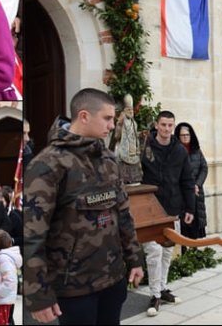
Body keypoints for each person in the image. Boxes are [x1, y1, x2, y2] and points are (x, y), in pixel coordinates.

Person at [24, 89, 145, 325]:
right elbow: (33, 234)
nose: (112, 125)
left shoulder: (108, 159)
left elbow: (123, 215)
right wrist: (37, 295)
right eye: (107, 118)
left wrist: (135, 259)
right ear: (84, 116)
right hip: (74, 288)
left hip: (112, 279)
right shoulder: (48, 164)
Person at [140, 110, 195, 316]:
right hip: (150, 208)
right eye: (163, 125)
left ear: (174, 127)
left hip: (173, 208)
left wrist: (190, 208)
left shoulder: (180, 150)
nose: (166, 129)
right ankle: (154, 294)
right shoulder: (145, 147)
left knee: (167, 252)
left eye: (170, 125)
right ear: (156, 125)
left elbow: (187, 180)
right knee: (153, 252)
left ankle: (162, 289)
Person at [174, 122, 208, 242]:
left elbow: (204, 168)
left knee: (196, 226)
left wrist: (197, 184)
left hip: (197, 192)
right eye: (182, 135)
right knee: (184, 226)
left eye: (187, 135)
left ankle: (195, 256)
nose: (185, 137)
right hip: (183, 194)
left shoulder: (196, 151)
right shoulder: (175, 152)